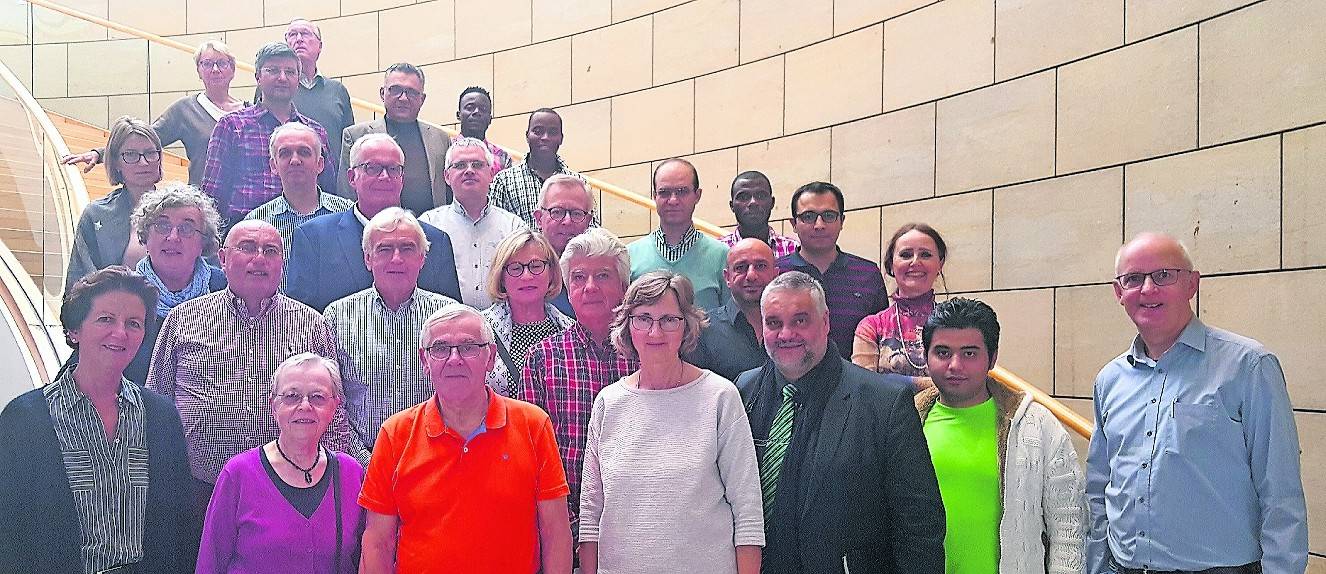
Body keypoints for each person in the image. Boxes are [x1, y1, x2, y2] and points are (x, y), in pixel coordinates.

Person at [1087, 233, 1307, 574]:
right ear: (1119, 293)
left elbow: (1280, 495)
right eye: (1133, 279)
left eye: (1163, 275)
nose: (1147, 290)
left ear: (1192, 284)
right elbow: (1100, 487)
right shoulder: (1109, 380)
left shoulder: (1248, 367)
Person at [145, 220, 369, 532]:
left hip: (287, 491)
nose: (259, 258)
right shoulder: (182, 319)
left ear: (282, 262)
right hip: (199, 489)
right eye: (248, 248)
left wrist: (363, 477)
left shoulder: (312, 324)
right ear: (222, 259)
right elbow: (157, 407)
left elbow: (333, 413)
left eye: (271, 251)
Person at [735, 271, 945, 573]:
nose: (786, 334)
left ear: (825, 322)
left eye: (800, 320)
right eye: (774, 323)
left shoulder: (884, 403)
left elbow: (919, 526)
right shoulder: (743, 391)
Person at [0, 267, 193, 573]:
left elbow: (179, 528)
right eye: (106, 319)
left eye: (133, 323)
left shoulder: (161, 417)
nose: (120, 333)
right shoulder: (25, 420)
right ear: (74, 330)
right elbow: (9, 532)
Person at [358, 304, 573, 574]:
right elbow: (378, 542)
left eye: (469, 347)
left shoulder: (533, 425)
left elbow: (556, 534)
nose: (454, 359)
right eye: (440, 349)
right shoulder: (395, 434)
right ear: (425, 361)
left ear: (491, 357)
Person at [579, 271, 763, 574]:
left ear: (686, 326)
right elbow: (590, 517)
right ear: (628, 326)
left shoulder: (719, 396)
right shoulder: (608, 403)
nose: (655, 333)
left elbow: (748, 512)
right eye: (643, 319)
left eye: (668, 319)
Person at [917, 297, 1085, 574]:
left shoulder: (1035, 425)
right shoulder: (907, 421)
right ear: (926, 356)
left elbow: (1069, 526)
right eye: (943, 352)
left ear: (992, 358)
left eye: (969, 353)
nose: (955, 365)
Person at [196, 353, 365, 574]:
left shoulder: (351, 474)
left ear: (334, 407)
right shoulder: (239, 474)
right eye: (292, 396)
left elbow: (367, 557)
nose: (305, 406)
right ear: (274, 406)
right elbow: (210, 563)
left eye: (318, 397)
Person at [520, 227, 638, 533]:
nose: (589, 287)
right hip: (564, 526)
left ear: (624, 286)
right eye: (578, 277)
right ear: (567, 290)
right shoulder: (541, 360)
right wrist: (571, 528)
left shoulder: (648, 353)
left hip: (640, 520)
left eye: (602, 276)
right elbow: (531, 457)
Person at [323, 207, 458, 448]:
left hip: (439, 461)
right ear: (367, 258)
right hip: (362, 465)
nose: (396, 258)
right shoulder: (337, 316)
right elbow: (330, 402)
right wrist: (367, 463)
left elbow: (464, 394)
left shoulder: (448, 315)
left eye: (407, 248)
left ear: (422, 258)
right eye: (384, 249)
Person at [286, 133, 462, 311]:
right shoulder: (314, 238)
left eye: (393, 169)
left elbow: (451, 317)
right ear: (352, 177)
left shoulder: (436, 240)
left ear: (402, 177)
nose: (385, 176)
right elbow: (301, 320)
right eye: (372, 168)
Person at [60, 40, 247, 185]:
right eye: (207, 64)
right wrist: (99, 153)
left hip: (246, 205)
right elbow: (145, 137)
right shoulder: (185, 110)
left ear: (232, 70)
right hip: (205, 206)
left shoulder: (250, 112)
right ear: (198, 71)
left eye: (221, 63)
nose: (215, 70)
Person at [202, 41, 337, 226]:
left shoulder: (315, 132)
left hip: (307, 234)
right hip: (247, 237)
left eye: (290, 72)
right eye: (273, 70)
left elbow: (328, 190)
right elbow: (212, 197)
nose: (282, 78)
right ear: (258, 77)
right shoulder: (232, 126)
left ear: (298, 80)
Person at [122, 183, 227, 385]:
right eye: (162, 225)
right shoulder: (123, 292)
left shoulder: (224, 289)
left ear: (203, 242)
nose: (173, 237)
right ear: (145, 235)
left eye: (187, 228)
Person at [777, 181, 888, 359]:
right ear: (794, 224)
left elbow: (882, 339)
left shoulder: (867, 274)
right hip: (790, 382)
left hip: (854, 382)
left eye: (828, 215)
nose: (819, 225)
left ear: (842, 221)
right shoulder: (776, 273)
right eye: (808, 216)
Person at [419, 137, 528, 308]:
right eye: (460, 165)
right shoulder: (428, 225)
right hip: (444, 325)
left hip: (502, 328)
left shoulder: (514, 228)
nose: (469, 171)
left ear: (491, 174)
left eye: (477, 165)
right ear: (447, 176)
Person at [65, 116, 163, 292]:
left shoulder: (180, 210)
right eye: (131, 155)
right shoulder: (96, 214)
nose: (144, 162)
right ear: (116, 162)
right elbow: (78, 283)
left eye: (150, 153)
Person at [338, 63, 451, 212]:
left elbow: (449, 193)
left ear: (422, 99)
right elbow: (345, 195)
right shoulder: (356, 136)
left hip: (429, 230)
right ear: (382, 93)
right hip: (373, 229)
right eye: (396, 90)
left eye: (411, 92)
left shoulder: (440, 139)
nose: (403, 98)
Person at [243, 122, 355, 265]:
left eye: (304, 152)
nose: (295, 160)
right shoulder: (256, 221)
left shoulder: (347, 214)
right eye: (285, 153)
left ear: (320, 164)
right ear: (273, 165)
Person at [480, 231, 575, 399]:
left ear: (552, 272)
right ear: (501, 277)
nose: (526, 276)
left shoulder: (570, 330)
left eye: (536, 266)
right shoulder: (479, 330)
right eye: (515, 268)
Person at [853, 223, 947, 391]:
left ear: (940, 264)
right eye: (906, 255)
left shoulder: (956, 323)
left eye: (925, 254)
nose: (915, 262)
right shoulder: (871, 326)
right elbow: (864, 389)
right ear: (891, 265)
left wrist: (891, 380)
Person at [627, 158, 728, 309]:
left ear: (697, 195)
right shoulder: (629, 256)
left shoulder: (722, 256)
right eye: (664, 192)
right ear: (655, 196)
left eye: (682, 192)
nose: (673, 200)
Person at [685, 238, 779, 381]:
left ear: (775, 274)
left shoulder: (791, 327)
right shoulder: (702, 331)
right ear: (727, 277)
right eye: (740, 267)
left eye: (760, 266)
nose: (751, 275)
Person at [491, 108, 594, 228]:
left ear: (561, 138)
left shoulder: (579, 184)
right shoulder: (504, 181)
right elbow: (495, 228)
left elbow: (592, 230)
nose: (545, 137)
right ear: (527, 136)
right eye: (538, 131)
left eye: (552, 132)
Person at [282, 18, 354, 163]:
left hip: (331, 183)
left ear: (320, 46)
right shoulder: (275, 88)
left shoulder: (338, 91)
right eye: (292, 34)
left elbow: (349, 145)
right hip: (285, 180)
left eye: (305, 33)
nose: (299, 39)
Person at [533, 174, 597, 317]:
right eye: (557, 212)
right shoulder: (523, 271)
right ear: (538, 218)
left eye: (576, 213)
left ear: (588, 221)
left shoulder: (600, 272)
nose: (567, 221)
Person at [719, 171, 798, 258]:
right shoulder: (718, 252)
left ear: (772, 203)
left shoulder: (793, 250)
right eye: (744, 197)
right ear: (732, 206)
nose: (753, 202)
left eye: (760, 196)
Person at [455, 86, 511, 174]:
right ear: (458, 115)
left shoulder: (502, 158)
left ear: (490, 119)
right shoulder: (444, 150)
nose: (476, 112)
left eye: (483, 109)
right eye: (469, 108)